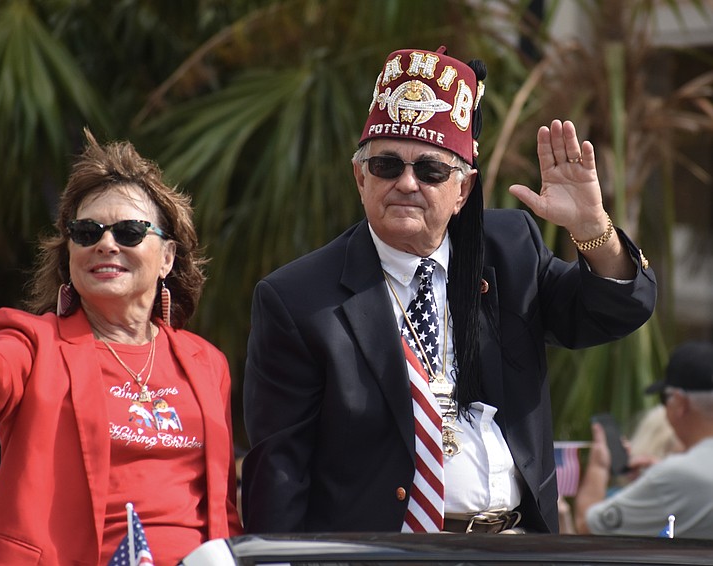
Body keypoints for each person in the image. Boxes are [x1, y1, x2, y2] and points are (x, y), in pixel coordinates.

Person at [242, 47, 657, 535]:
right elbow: (280, 475)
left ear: (463, 190)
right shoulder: (298, 298)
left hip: (515, 543)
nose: (407, 183)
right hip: (386, 553)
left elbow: (612, 311)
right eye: (386, 166)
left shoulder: (509, 251)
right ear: (360, 177)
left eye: (432, 170)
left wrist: (592, 229)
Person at [0, 131, 242, 564]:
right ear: (70, 253)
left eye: (129, 231)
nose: (106, 243)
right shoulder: (34, 341)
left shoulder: (207, 364)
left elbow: (221, 508)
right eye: (87, 232)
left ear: (166, 257)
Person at [575, 341, 713, 538]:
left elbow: (586, 528)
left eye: (665, 399)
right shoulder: (677, 476)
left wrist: (599, 467)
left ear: (680, 403)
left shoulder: (675, 477)